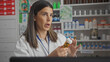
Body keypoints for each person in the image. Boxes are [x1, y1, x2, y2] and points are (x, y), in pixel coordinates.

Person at [14, 0, 81, 57]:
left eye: (51, 15)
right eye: (44, 14)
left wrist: (71, 56)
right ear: (34, 17)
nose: (49, 19)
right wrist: (50, 58)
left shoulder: (61, 38)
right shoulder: (23, 43)